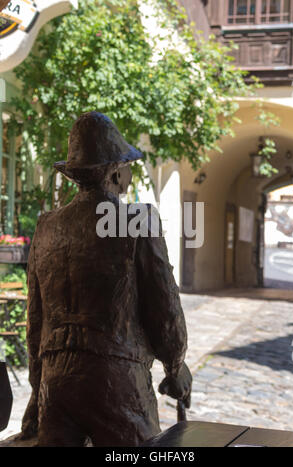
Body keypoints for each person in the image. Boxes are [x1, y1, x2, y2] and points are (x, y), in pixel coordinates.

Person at [21, 111, 192, 447]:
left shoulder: (47, 226)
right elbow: (165, 311)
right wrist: (175, 368)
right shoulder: (137, 220)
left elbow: (35, 321)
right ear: (115, 172)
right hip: (115, 379)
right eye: (127, 165)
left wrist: (38, 386)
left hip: (56, 382)